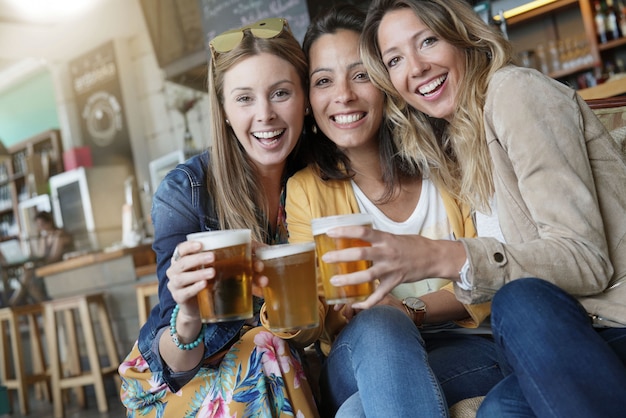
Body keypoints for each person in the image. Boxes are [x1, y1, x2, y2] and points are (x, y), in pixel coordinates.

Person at [317, 0, 626, 417]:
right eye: (394, 59)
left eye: (427, 41)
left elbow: (586, 260)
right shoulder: (457, 141)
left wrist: (437, 257)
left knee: (520, 302)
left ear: (463, 37)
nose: (416, 67)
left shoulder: (515, 92)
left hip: (608, 324)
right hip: (538, 340)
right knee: (364, 409)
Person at [284, 5, 501, 417]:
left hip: (469, 345)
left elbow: (492, 276)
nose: (343, 95)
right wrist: (283, 293)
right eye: (323, 81)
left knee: (355, 413)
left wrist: (410, 310)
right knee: (380, 325)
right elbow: (315, 317)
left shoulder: (450, 157)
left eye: (360, 74)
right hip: (359, 351)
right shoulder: (306, 190)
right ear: (310, 101)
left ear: (385, 80)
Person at [118, 17, 320, 417]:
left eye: (280, 93)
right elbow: (174, 364)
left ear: (305, 98)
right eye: (244, 98)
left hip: (284, 359)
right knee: (265, 349)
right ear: (224, 110)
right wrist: (189, 312)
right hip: (182, 379)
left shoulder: (321, 176)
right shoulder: (186, 191)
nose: (265, 115)